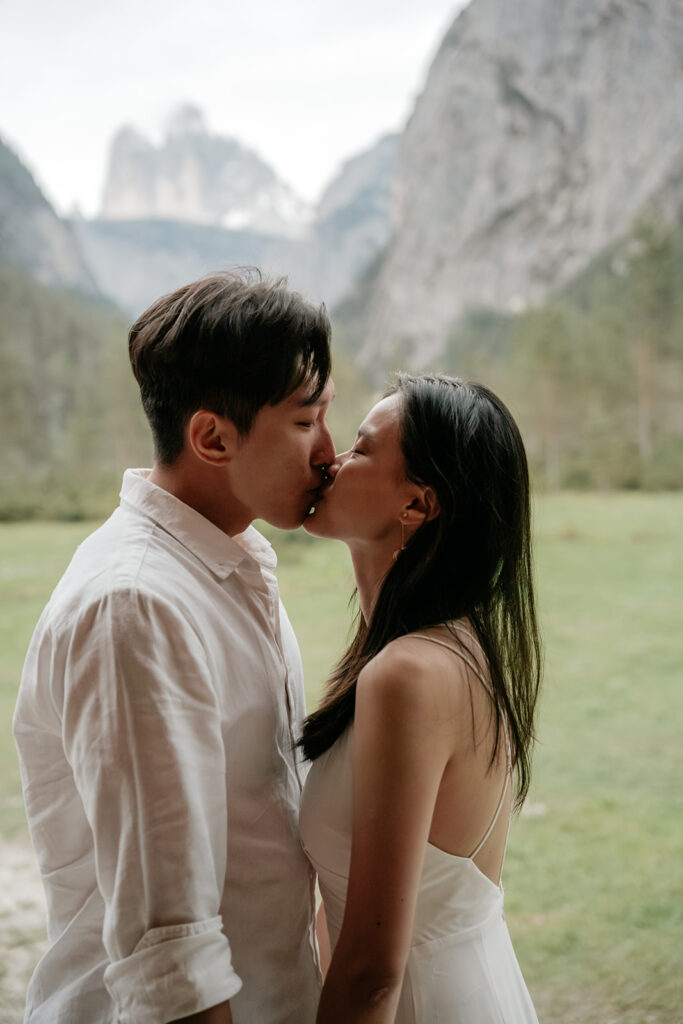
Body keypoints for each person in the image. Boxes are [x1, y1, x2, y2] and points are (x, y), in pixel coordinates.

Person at [13, 269, 335, 1024]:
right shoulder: (138, 606)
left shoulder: (232, 563)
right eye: (303, 422)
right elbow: (171, 958)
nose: (329, 452)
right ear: (213, 437)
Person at [300, 372, 542, 1023]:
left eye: (360, 447)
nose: (330, 461)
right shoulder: (441, 648)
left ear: (416, 505)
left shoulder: (409, 674)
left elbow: (374, 971)